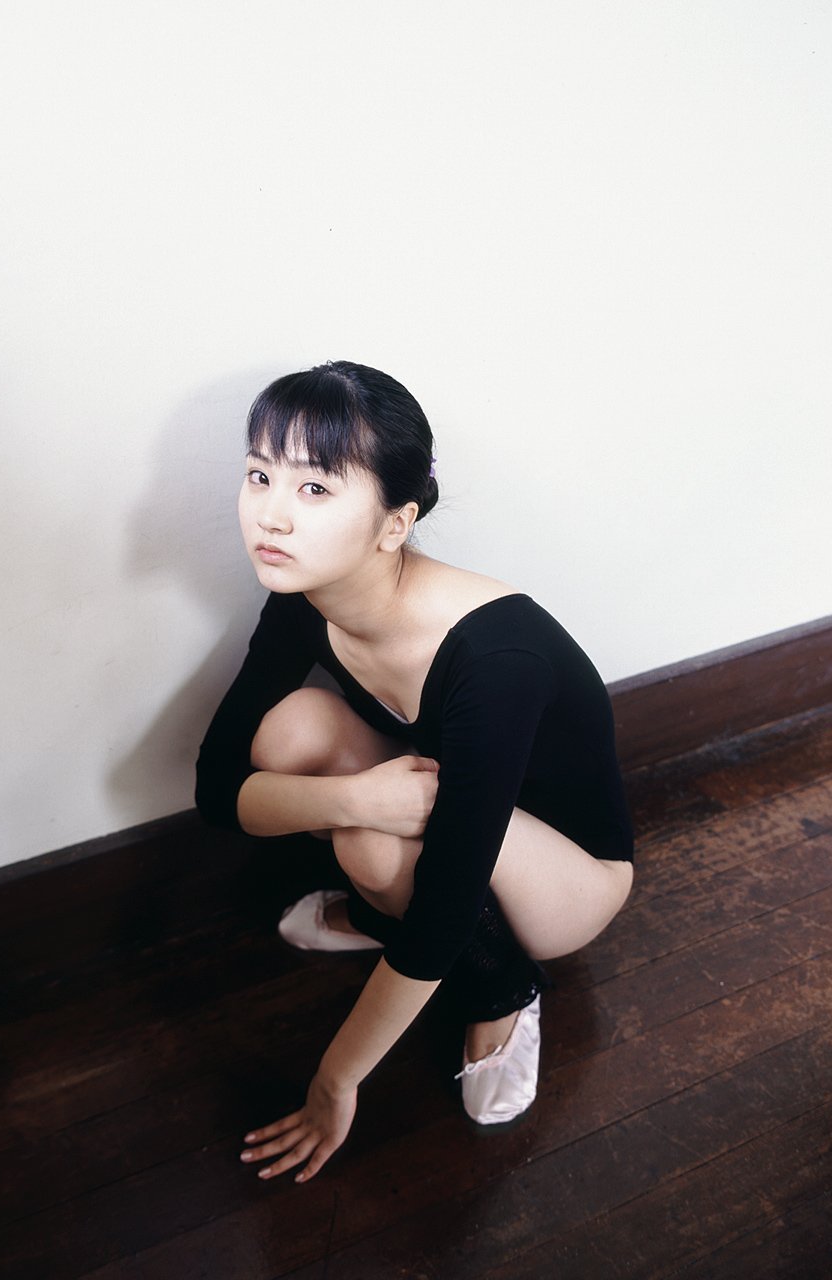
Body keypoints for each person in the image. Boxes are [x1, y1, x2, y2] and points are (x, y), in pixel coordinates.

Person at [195, 360, 634, 1184]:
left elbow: (447, 899)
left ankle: (502, 991)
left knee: (370, 846)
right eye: (260, 475)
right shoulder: (304, 595)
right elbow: (216, 791)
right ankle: (382, 908)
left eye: (315, 488)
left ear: (394, 525)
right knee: (291, 730)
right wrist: (358, 794)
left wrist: (335, 1081)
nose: (272, 515)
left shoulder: (494, 656)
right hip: (450, 806)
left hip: (569, 881)